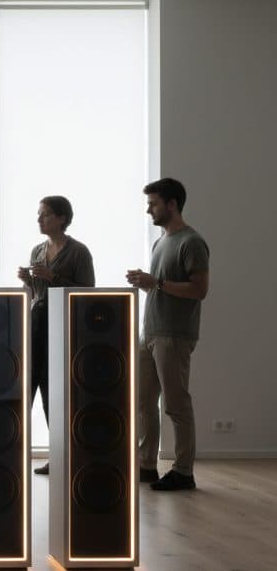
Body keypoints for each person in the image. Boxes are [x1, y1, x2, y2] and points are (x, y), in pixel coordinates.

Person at [126, 178, 209, 492]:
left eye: (153, 204)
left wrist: (156, 282)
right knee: (143, 401)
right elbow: (163, 286)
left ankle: (183, 471)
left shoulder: (192, 242)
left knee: (176, 403)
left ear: (171, 204)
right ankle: (146, 465)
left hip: (174, 335)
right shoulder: (160, 242)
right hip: (151, 332)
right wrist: (146, 282)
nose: (149, 210)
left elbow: (200, 290)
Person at [17, 196, 95, 475]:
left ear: (62, 218)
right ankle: (11, 453)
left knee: (55, 394)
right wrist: (29, 281)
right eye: (39, 214)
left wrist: (52, 278)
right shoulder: (38, 250)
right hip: (36, 323)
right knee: (25, 387)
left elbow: (87, 293)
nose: (40, 219)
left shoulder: (78, 252)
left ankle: (62, 456)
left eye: (46, 215)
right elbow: (35, 294)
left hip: (63, 327)